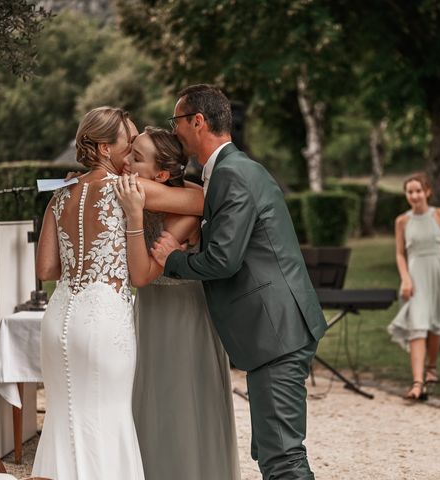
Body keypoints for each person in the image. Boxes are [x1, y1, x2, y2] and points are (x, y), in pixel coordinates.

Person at [150, 84, 327, 480]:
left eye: (175, 121)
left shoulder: (231, 173)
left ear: (197, 121)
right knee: (270, 451)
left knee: (283, 458)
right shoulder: (229, 171)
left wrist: (171, 260)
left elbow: (223, 260)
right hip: (275, 330)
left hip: (277, 331)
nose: (174, 130)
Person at [33, 107, 203, 479]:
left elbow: (46, 270)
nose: (132, 154)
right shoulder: (131, 189)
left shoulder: (60, 193)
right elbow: (202, 200)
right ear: (106, 148)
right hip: (103, 321)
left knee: (64, 419)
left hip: (59, 314)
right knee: (108, 419)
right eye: (129, 143)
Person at [114, 127, 241, 480]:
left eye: (136, 157)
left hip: (185, 312)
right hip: (149, 312)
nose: (125, 163)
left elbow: (142, 273)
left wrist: (134, 214)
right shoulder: (134, 192)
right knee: (148, 399)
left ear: (162, 174)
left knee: (185, 401)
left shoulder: (187, 206)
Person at [387, 172, 440, 401]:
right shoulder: (402, 221)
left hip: (438, 272)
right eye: (410, 191)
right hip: (415, 276)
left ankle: (431, 366)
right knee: (418, 326)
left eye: (418, 190)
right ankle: (417, 383)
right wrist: (405, 278)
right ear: (406, 195)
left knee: (434, 326)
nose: (414, 195)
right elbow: (400, 254)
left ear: (427, 192)